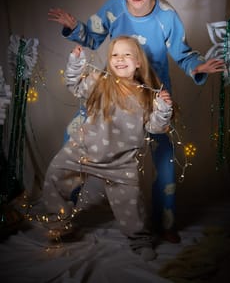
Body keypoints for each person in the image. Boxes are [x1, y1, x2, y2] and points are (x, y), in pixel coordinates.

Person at [48, 0, 225, 243]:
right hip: (111, 95)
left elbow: (182, 53)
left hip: (152, 100)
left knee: (165, 160)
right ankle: (61, 219)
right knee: (73, 145)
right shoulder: (114, 8)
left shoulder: (166, 16)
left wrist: (198, 66)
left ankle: (164, 223)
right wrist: (73, 27)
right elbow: (92, 38)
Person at [42, 35, 173, 261]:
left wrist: (163, 109)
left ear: (139, 62)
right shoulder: (99, 82)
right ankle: (59, 224)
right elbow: (74, 85)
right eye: (114, 55)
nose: (120, 59)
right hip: (82, 151)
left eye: (127, 54)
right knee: (55, 175)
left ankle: (139, 239)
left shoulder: (146, 94)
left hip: (121, 163)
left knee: (131, 205)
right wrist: (76, 63)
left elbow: (156, 127)